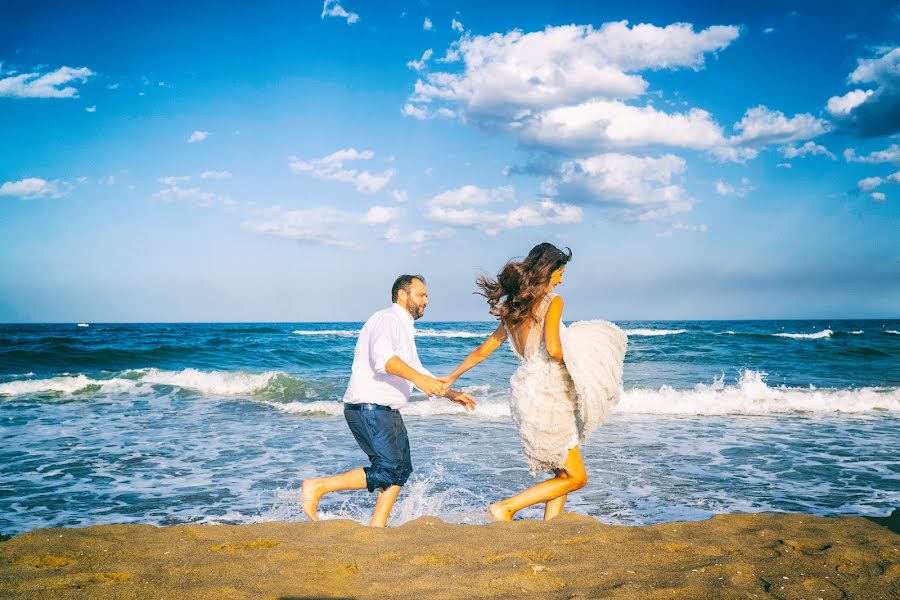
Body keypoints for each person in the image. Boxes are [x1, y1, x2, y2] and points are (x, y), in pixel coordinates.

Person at [441, 243, 627, 521]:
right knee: (577, 478)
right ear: (548, 270)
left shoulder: (513, 306)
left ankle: (549, 526)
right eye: (560, 272)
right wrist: (580, 359)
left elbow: (483, 350)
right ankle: (506, 507)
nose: (562, 279)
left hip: (526, 390)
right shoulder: (552, 301)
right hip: (549, 390)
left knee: (560, 469)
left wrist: (451, 377)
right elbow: (553, 348)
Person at [301, 275, 477, 527]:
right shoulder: (388, 318)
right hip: (369, 408)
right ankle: (317, 487)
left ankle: (377, 527)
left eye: (427, 296)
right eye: (421, 295)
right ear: (402, 295)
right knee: (388, 469)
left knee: (400, 470)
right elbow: (382, 359)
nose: (426, 300)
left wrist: (451, 394)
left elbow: (417, 369)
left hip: (385, 410)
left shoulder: (404, 326)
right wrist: (421, 379)